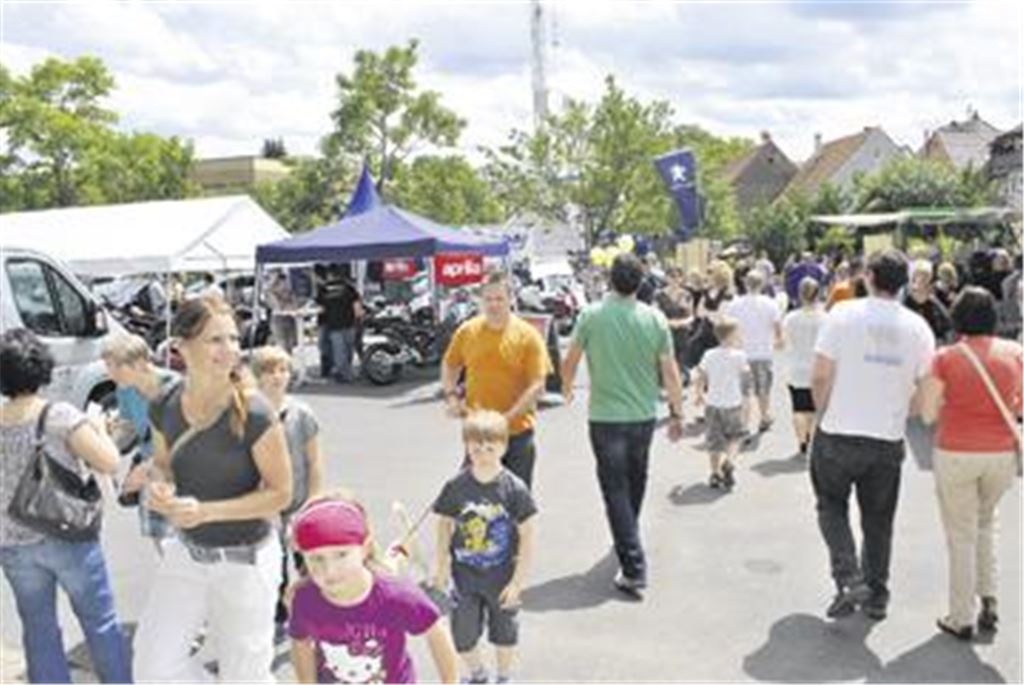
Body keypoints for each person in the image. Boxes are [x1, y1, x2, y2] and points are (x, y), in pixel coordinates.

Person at [133, 295, 293, 682]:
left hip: (247, 561)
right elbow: (164, 467)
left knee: (245, 675)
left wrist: (208, 511)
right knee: (152, 668)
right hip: (186, 553)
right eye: (215, 340)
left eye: (234, 339)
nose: (231, 350)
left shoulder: (254, 411)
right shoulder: (164, 405)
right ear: (181, 347)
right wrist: (160, 488)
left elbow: (281, 494)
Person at [810, 250, 936, 621]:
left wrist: (824, 411)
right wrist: (901, 410)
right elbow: (928, 392)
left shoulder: (843, 315)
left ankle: (848, 576)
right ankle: (877, 594)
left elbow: (820, 375)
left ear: (867, 276)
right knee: (879, 519)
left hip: (838, 429)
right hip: (886, 436)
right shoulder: (918, 328)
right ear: (904, 282)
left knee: (831, 505)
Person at [0, 329, 132, 683]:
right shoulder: (58, 416)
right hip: (67, 535)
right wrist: (101, 428)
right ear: (42, 367)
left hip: (12, 544)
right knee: (100, 622)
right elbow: (108, 461)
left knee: (39, 629)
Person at [561, 253, 685, 595]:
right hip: (643, 416)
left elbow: (570, 360)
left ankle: (633, 564)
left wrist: (568, 386)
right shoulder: (655, 318)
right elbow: (670, 371)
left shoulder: (591, 315)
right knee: (635, 480)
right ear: (641, 282)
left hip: (605, 417)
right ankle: (627, 532)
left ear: (610, 280)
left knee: (615, 488)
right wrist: (677, 413)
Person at [919, 287, 1022, 640]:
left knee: (961, 535)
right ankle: (989, 597)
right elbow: (1020, 407)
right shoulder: (1015, 353)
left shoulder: (945, 357)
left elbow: (928, 414)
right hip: (1001, 453)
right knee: (986, 523)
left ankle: (961, 616)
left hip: (956, 451)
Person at [288, 492, 459, 683]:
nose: (330, 570)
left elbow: (436, 631)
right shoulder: (304, 599)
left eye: (341, 554)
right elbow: (300, 641)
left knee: (390, 566)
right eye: (316, 558)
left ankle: (400, 552)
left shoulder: (398, 596)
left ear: (365, 548)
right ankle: (398, 553)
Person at [432, 411, 537, 684]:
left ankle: (504, 677)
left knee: (505, 632)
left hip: (502, 577)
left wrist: (518, 582)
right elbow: (444, 523)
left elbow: (528, 536)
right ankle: (478, 674)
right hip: (464, 576)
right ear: (466, 445)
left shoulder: (514, 489)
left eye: (490, 447)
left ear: (504, 446)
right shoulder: (456, 486)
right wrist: (441, 564)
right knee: (463, 635)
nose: (483, 453)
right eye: (475, 446)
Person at [442, 269, 550, 490]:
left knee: (516, 504)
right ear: (481, 300)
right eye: (488, 299)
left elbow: (537, 385)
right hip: (478, 435)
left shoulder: (527, 335)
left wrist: (507, 418)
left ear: (511, 299)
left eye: (500, 299)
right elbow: (450, 364)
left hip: (518, 435)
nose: (493, 305)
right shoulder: (468, 331)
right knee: (473, 502)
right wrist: (451, 396)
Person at [251, 345, 325, 625]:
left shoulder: (302, 413)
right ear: (258, 376)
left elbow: (315, 462)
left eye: (283, 370)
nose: (278, 376)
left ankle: (315, 613)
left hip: (299, 501)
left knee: (309, 563)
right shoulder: (249, 414)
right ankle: (279, 616)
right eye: (270, 371)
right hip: (267, 505)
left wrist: (312, 502)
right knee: (273, 568)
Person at [100, 332, 180, 544]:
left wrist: (148, 468)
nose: (110, 374)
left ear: (139, 364)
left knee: (183, 542)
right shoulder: (125, 390)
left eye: (115, 366)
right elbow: (128, 426)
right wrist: (104, 445)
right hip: (150, 475)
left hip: (179, 474)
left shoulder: (175, 388)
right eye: (108, 366)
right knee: (157, 537)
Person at [723, 269, 782, 433]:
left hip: (741, 352)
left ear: (745, 283)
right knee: (763, 389)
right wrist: (779, 341)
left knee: (744, 391)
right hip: (763, 352)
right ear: (762, 284)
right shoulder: (771, 304)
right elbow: (777, 328)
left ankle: (744, 422)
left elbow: (728, 327)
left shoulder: (735, 304)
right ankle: (764, 416)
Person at [694, 317, 750, 489]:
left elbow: (700, 375)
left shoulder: (709, 354)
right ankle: (729, 462)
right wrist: (747, 398)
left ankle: (715, 473)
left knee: (714, 440)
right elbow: (745, 377)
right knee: (736, 436)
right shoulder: (740, 356)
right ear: (732, 335)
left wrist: (699, 394)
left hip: (713, 402)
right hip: (733, 401)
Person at [781, 278, 826, 456]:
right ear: (818, 294)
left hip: (796, 367)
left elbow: (784, 341)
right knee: (815, 410)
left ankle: (802, 441)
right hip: (818, 368)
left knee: (799, 408)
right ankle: (813, 440)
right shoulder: (825, 318)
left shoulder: (791, 318)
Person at [317, 266, 364, 383]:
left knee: (339, 350)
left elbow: (321, 308)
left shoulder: (324, 289)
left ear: (329, 275)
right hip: (349, 323)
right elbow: (357, 307)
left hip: (334, 325)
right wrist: (359, 318)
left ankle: (344, 374)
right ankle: (346, 372)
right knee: (348, 349)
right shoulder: (349, 288)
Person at [655, 268, 695, 385]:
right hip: (664, 331)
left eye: (678, 276)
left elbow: (692, 316)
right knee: (665, 359)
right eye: (672, 276)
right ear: (666, 278)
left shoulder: (687, 295)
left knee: (681, 360)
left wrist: (683, 322)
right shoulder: (659, 295)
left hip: (682, 332)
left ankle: (679, 385)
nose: (675, 279)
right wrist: (668, 323)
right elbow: (655, 313)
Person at [903, 259, 953, 344]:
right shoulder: (905, 303)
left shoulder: (934, 303)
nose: (927, 284)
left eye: (928, 279)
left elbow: (947, 325)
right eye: (921, 279)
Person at [268, 271, 301, 355]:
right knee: (282, 345)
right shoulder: (271, 294)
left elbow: (295, 305)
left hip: (290, 320)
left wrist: (291, 303)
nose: (284, 287)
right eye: (281, 284)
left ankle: (288, 363)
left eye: (285, 284)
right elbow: (277, 307)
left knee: (290, 344)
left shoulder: (290, 293)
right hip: (278, 321)